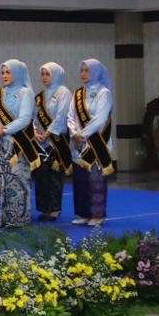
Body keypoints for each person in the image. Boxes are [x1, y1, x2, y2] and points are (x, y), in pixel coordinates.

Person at [0, 59, 39, 229]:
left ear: (17, 73)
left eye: (8, 72)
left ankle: (18, 218)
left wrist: (3, 130)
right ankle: (2, 217)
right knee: (0, 182)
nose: (4, 76)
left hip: (18, 145)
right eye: (2, 72)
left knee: (18, 181)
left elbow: (24, 119)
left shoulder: (26, 93)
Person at [69, 57, 115, 227]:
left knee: (96, 180)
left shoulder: (105, 93)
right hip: (78, 144)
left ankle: (97, 214)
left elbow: (100, 118)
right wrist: (74, 132)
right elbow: (70, 116)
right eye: (81, 70)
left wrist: (83, 133)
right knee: (80, 180)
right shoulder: (77, 93)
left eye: (86, 70)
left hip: (96, 143)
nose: (83, 74)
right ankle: (82, 213)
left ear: (96, 72)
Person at [33, 61, 72, 221]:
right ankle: (44, 208)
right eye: (42, 74)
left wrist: (48, 132)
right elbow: (34, 117)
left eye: (47, 74)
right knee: (41, 174)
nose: (44, 77)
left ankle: (54, 209)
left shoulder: (64, 92)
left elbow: (62, 116)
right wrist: (35, 132)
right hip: (40, 142)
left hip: (56, 140)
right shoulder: (40, 96)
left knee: (54, 175)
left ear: (56, 75)